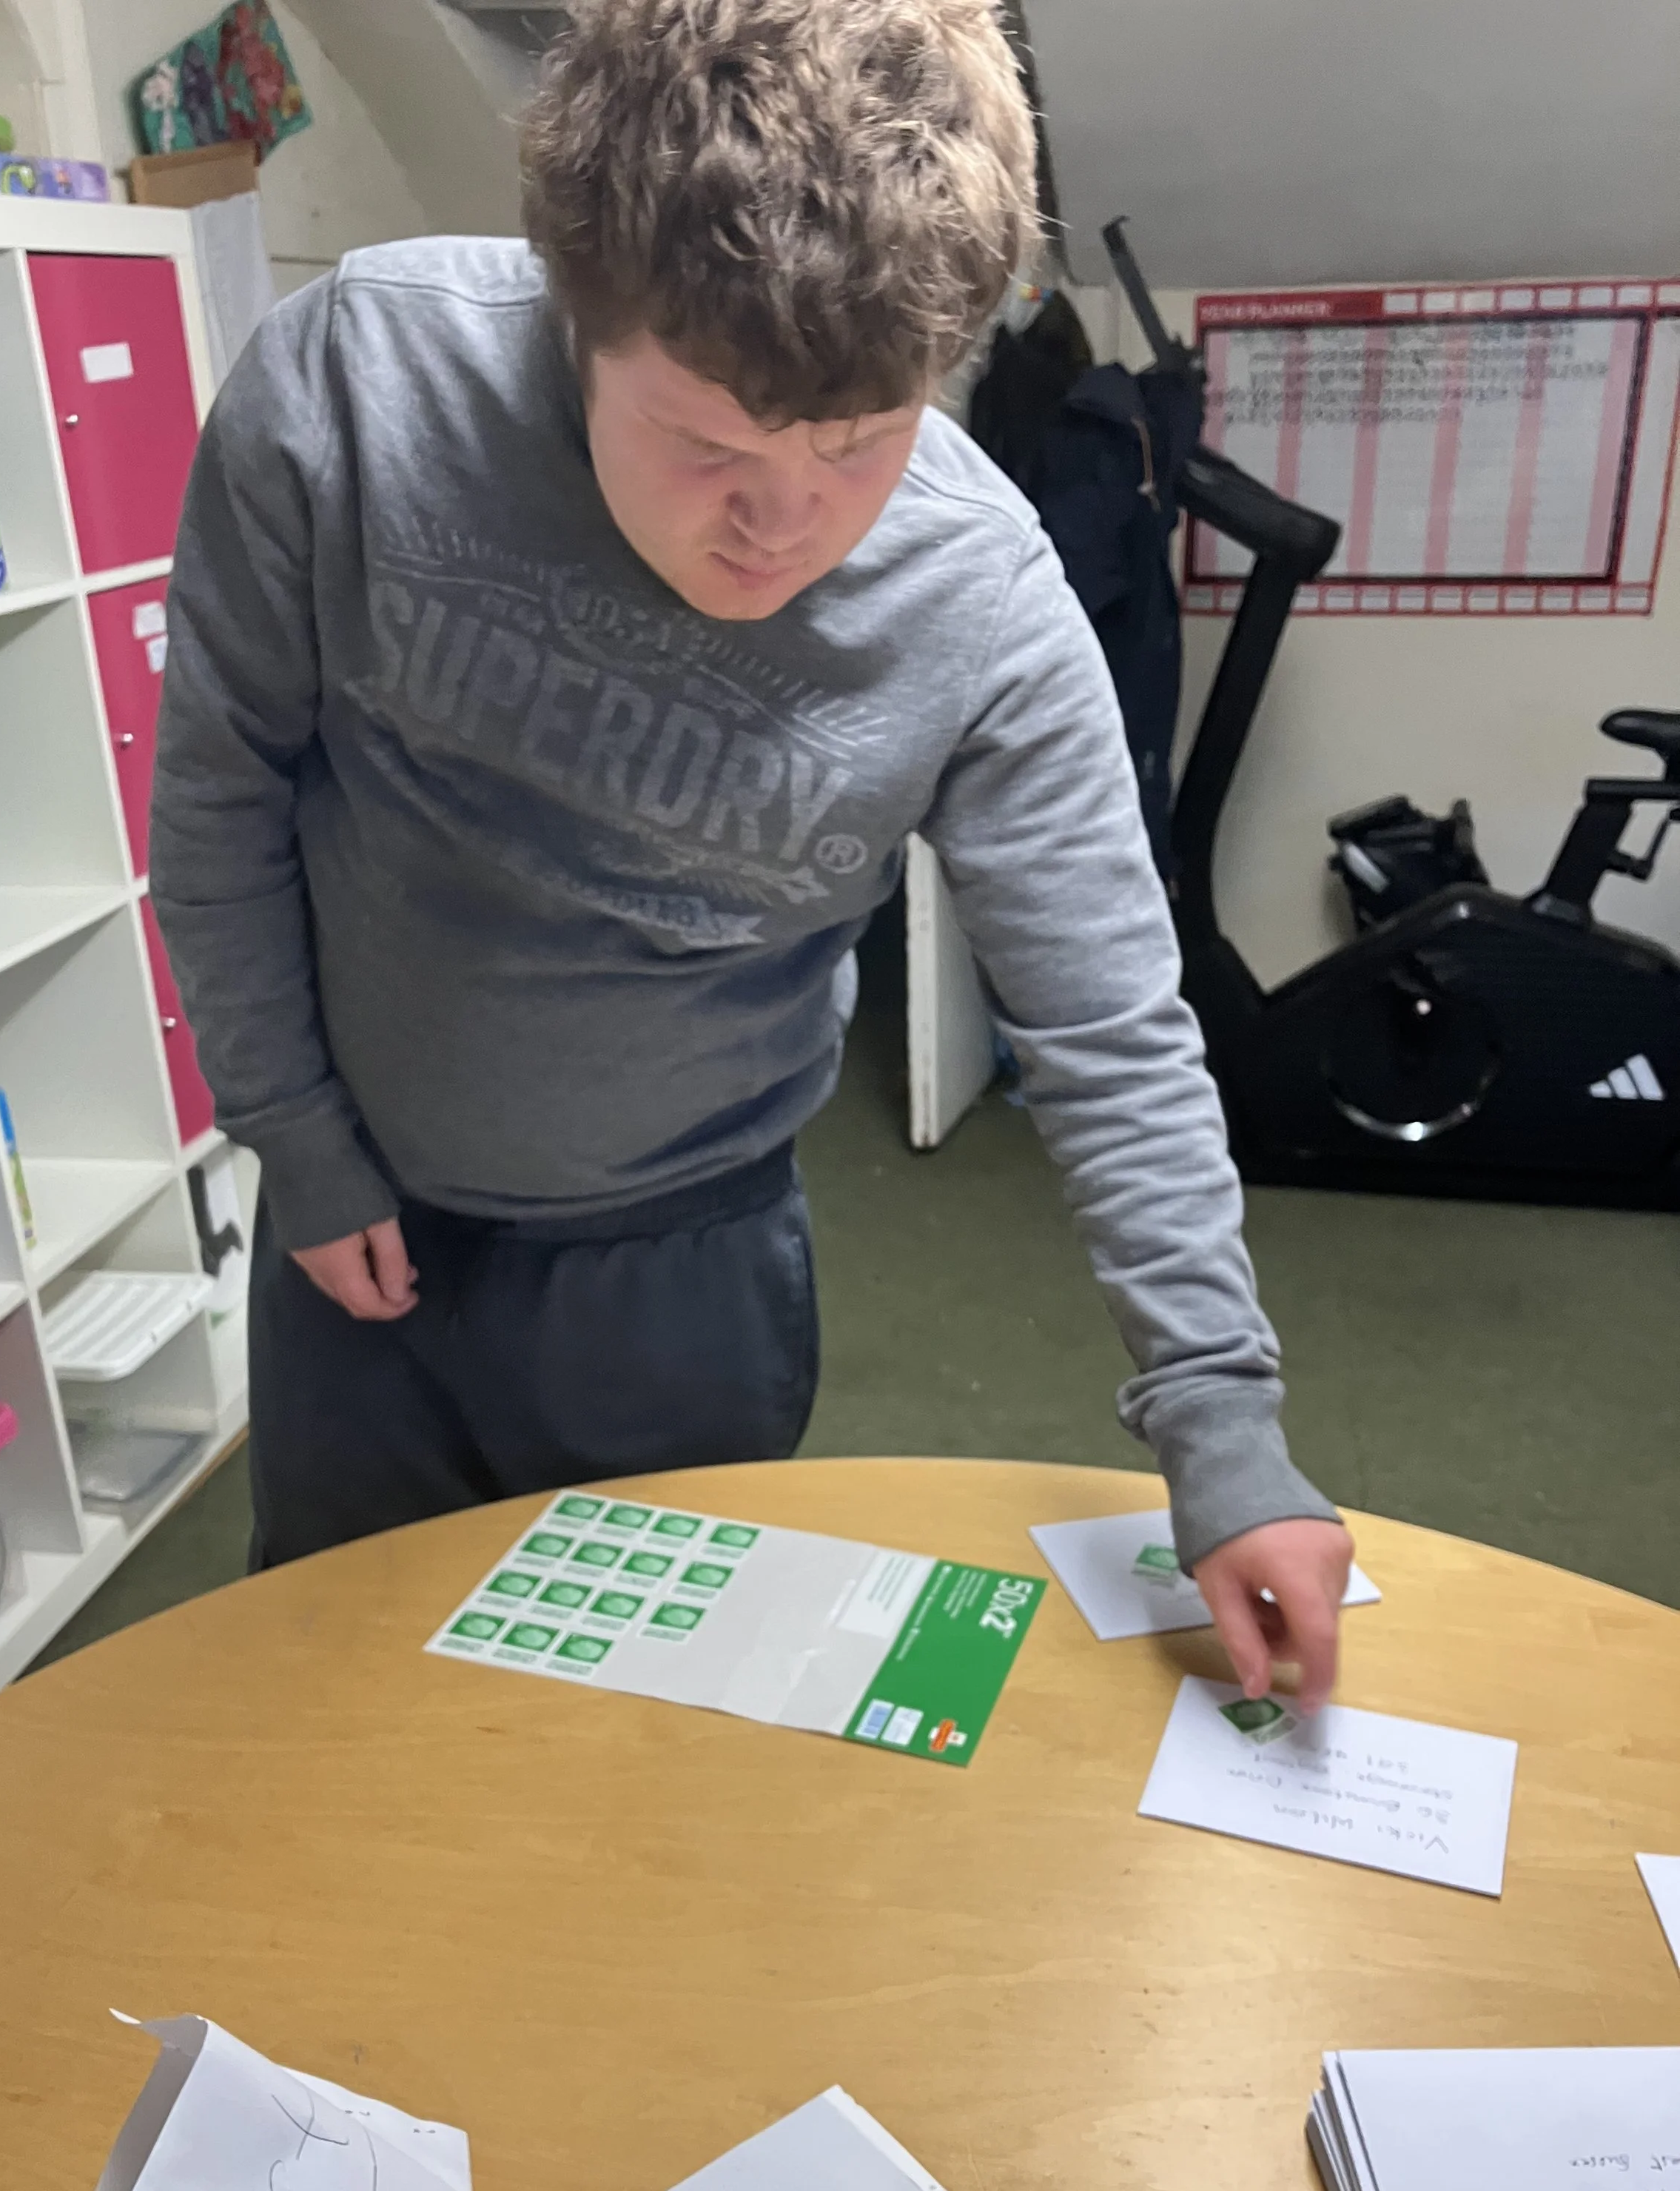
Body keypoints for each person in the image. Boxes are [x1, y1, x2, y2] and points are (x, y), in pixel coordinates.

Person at [151, 0, 1352, 1707]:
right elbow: (218, 799)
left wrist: (1223, 1427)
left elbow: (1109, 1027)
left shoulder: (981, 594)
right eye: (705, 443)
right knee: (336, 1691)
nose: (776, 523)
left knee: (650, 1725)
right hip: (356, 1228)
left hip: (686, 1261)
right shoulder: (351, 382)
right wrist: (299, 1143)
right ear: (577, 307)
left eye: (856, 448)